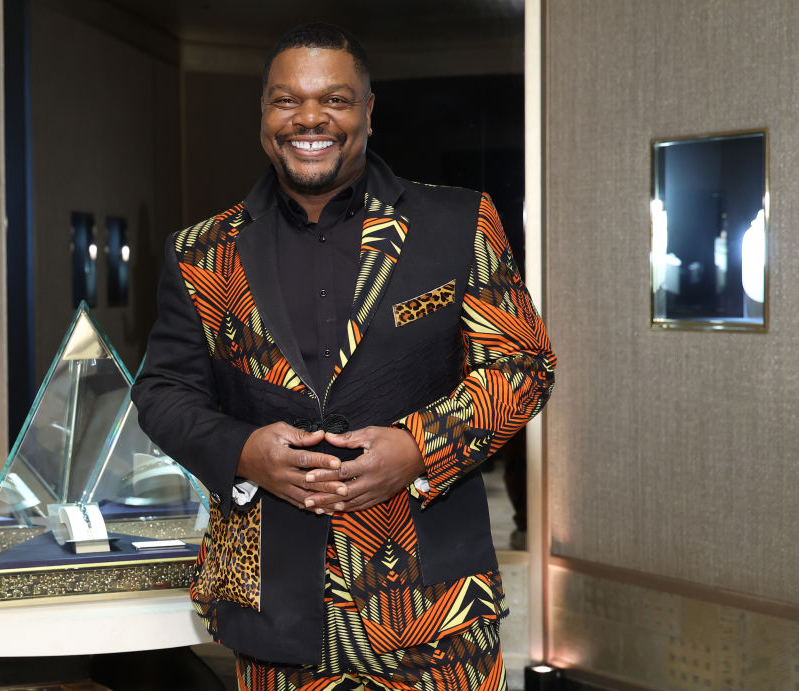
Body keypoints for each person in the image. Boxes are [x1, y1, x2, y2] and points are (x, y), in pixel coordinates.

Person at [132, 22, 555, 691]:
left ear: (366, 110)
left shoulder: (458, 224)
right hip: (272, 614)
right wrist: (244, 452)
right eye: (285, 99)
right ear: (264, 114)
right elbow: (161, 392)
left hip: (433, 614)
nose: (309, 117)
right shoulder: (200, 251)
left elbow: (524, 365)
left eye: (333, 98)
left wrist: (418, 448)